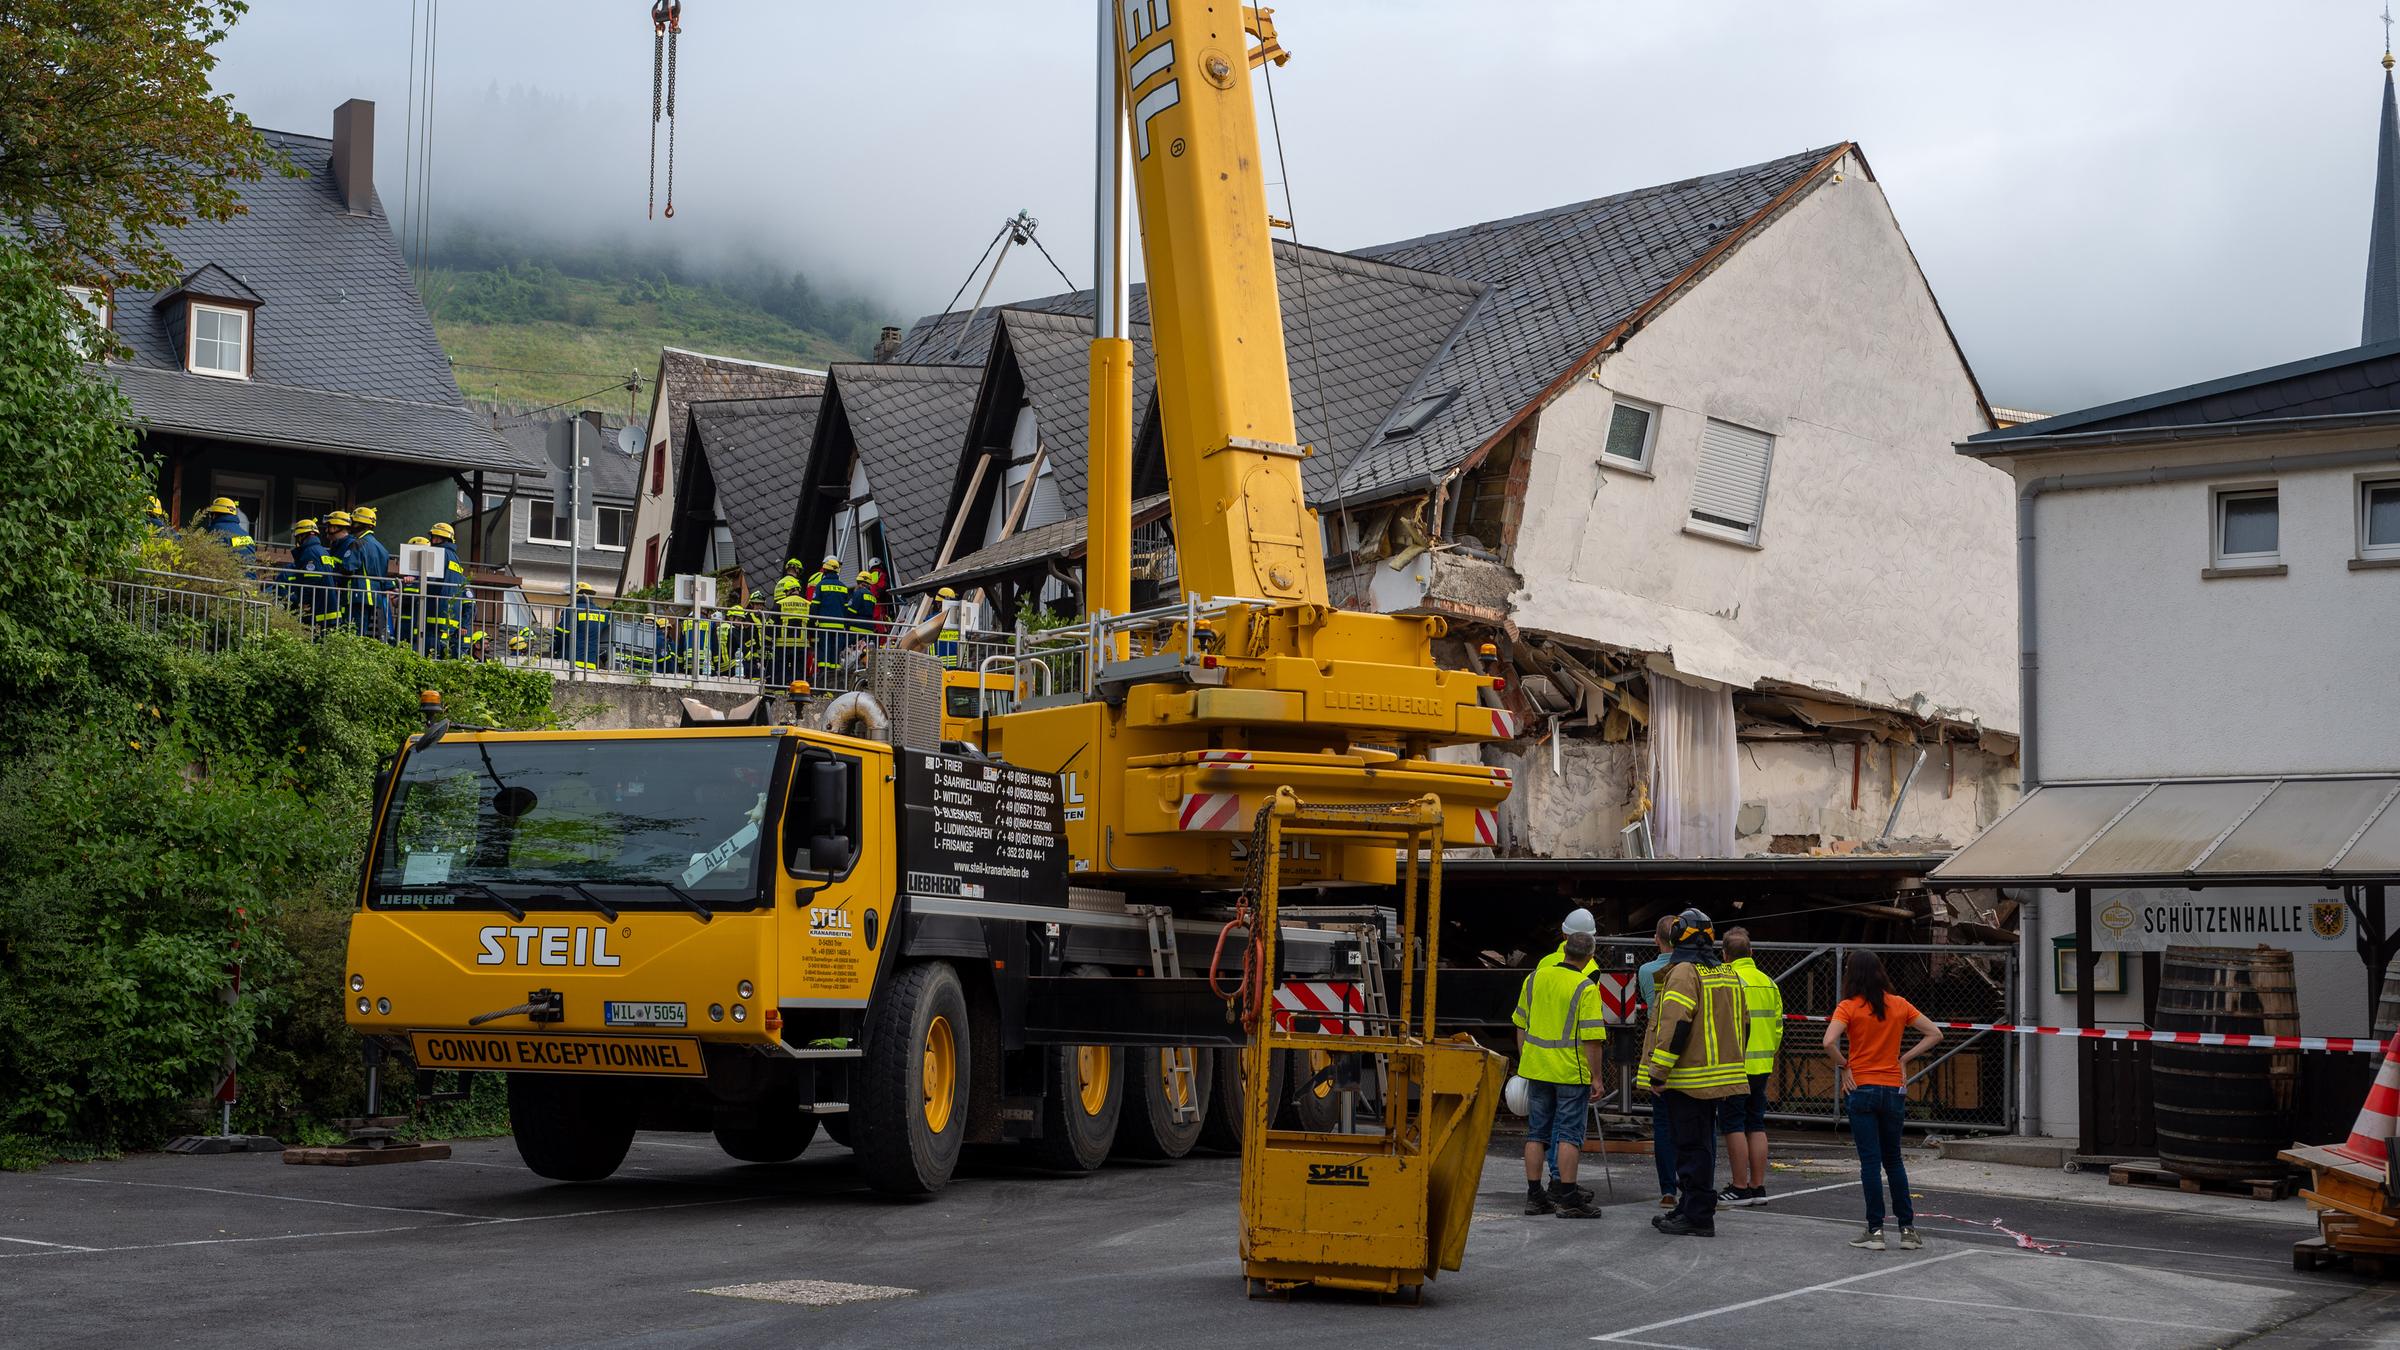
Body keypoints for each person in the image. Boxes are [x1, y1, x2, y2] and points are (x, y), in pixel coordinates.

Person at [1638, 908, 1748, 1238]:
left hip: (1686, 1078)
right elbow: (1745, 1023)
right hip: (1717, 1077)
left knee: (1690, 1147)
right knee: (1699, 1144)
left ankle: (1697, 1215)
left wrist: (1658, 1072)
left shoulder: (1684, 972)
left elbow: (1675, 1025)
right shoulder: (1726, 973)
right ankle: (1691, 1206)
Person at [1825, 949, 1941, 1252]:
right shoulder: (1899, 1004)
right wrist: (1904, 1058)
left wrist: (1845, 1065)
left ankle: (1875, 1230)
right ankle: (1907, 1229)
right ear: (1880, 971)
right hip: (1892, 1087)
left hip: (1861, 1087)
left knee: (1870, 1163)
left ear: (1852, 973)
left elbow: (1827, 1041)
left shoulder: (1848, 1007)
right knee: (1894, 1160)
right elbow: (1934, 1033)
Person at [1512, 907, 1608, 1219]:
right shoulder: (1586, 987)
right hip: (1570, 1071)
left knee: (1536, 1133)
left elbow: (1520, 1023)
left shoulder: (1535, 976)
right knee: (1569, 1134)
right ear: (1590, 953)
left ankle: (1534, 1196)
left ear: (1563, 946)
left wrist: (1526, 1060)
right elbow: (1593, 1038)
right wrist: (1597, 1077)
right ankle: (1567, 1197)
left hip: (1537, 1068)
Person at [1716, 927, 1783, 1209]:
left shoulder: (1727, 980)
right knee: (1755, 1123)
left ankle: (1739, 1187)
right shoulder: (1769, 983)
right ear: (1751, 952)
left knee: (1732, 1124)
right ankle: (1758, 1186)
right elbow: (1778, 1026)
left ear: (1724, 955)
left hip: (1735, 1064)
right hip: (1762, 1064)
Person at [1635, 914, 1680, 1209]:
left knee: (1662, 1124)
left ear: (1656, 939)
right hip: (1687, 1053)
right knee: (1692, 1123)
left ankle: (1667, 1188)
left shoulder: (1646, 971)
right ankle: (1693, 1183)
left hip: (1656, 1048)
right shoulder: (1693, 970)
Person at [806, 555, 854, 678]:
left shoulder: (821, 585)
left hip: (824, 625)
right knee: (835, 650)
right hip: (839, 626)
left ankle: (823, 674)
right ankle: (834, 676)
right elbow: (845, 608)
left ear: (825, 570)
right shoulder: (843, 587)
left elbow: (815, 606)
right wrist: (845, 625)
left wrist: (811, 622)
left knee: (824, 649)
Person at [348, 505, 391, 640]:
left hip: (359, 593)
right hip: (375, 596)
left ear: (361, 524)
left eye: (354, 522)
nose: (352, 525)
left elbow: (348, 567)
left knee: (354, 631)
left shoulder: (358, 543)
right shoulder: (382, 548)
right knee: (365, 632)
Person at [427, 521, 467, 658]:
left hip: (436, 609)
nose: (431, 540)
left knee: (431, 649)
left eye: (433, 537)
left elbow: (430, 581)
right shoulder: (456, 558)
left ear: (438, 538)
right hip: (451, 612)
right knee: (445, 649)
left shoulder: (439, 553)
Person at [319, 511, 360, 634]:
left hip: (346, 595)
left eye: (329, 526)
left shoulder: (351, 544)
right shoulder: (337, 545)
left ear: (336, 527)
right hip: (338, 594)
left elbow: (348, 569)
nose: (326, 530)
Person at [194, 496, 256, 576]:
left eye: (211, 514)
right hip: (250, 583)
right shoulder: (245, 534)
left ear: (215, 515)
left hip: (228, 582)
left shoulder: (214, 531)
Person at [556, 581, 609, 671]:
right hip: (591, 663)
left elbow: (561, 634)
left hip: (570, 661)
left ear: (576, 595)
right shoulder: (603, 614)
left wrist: (553, 649)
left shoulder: (571, 610)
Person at [393, 537, 430, 650]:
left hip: (413, 626)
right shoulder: (406, 579)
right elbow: (396, 602)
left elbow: (402, 601)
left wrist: (400, 594)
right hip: (406, 626)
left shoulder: (422, 578)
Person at [853, 554, 890, 629]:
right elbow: (882, 589)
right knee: (882, 627)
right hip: (878, 604)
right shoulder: (881, 574)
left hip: (870, 605)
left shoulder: (869, 576)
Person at [933, 586, 963, 669]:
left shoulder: (934, 619)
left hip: (937, 662)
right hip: (960, 664)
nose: (937, 604)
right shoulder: (962, 620)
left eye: (939, 602)